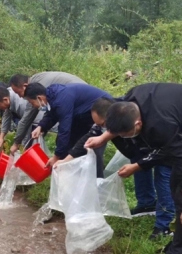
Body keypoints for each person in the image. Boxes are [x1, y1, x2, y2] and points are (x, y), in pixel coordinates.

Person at [85, 83, 182, 254]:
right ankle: (178, 245)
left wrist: (138, 165)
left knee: (178, 192)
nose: (121, 137)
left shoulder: (161, 125)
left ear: (138, 124)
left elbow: (176, 157)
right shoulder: (131, 98)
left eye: (123, 134)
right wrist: (104, 137)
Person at [55, 97, 175, 240]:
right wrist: (65, 160)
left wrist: (137, 166)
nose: (102, 128)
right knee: (138, 160)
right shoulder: (120, 112)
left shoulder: (155, 119)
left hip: (168, 145)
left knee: (163, 173)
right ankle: (146, 204)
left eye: (103, 124)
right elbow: (91, 135)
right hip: (144, 144)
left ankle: (163, 226)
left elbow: (166, 150)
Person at [24, 82, 113, 177]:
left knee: (91, 150)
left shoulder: (61, 100)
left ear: (39, 98)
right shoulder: (52, 95)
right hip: (82, 116)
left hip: (102, 111)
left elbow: (64, 130)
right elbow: (53, 114)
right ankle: (70, 177)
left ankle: (96, 181)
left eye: (31, 102)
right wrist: (41, 126)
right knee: (70, 147)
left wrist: (56, 157)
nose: (33, 106)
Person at [8, 72, 87, 154]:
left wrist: (16, 143)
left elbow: (26, 119)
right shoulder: (37, 80)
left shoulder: (35, 91)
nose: (20, 97)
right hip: (80, 99)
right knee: (70, 145)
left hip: (82, 103)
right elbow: (51, 112)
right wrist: (42, 127)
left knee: (71, 143)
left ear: (25, 86)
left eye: (18, 93)